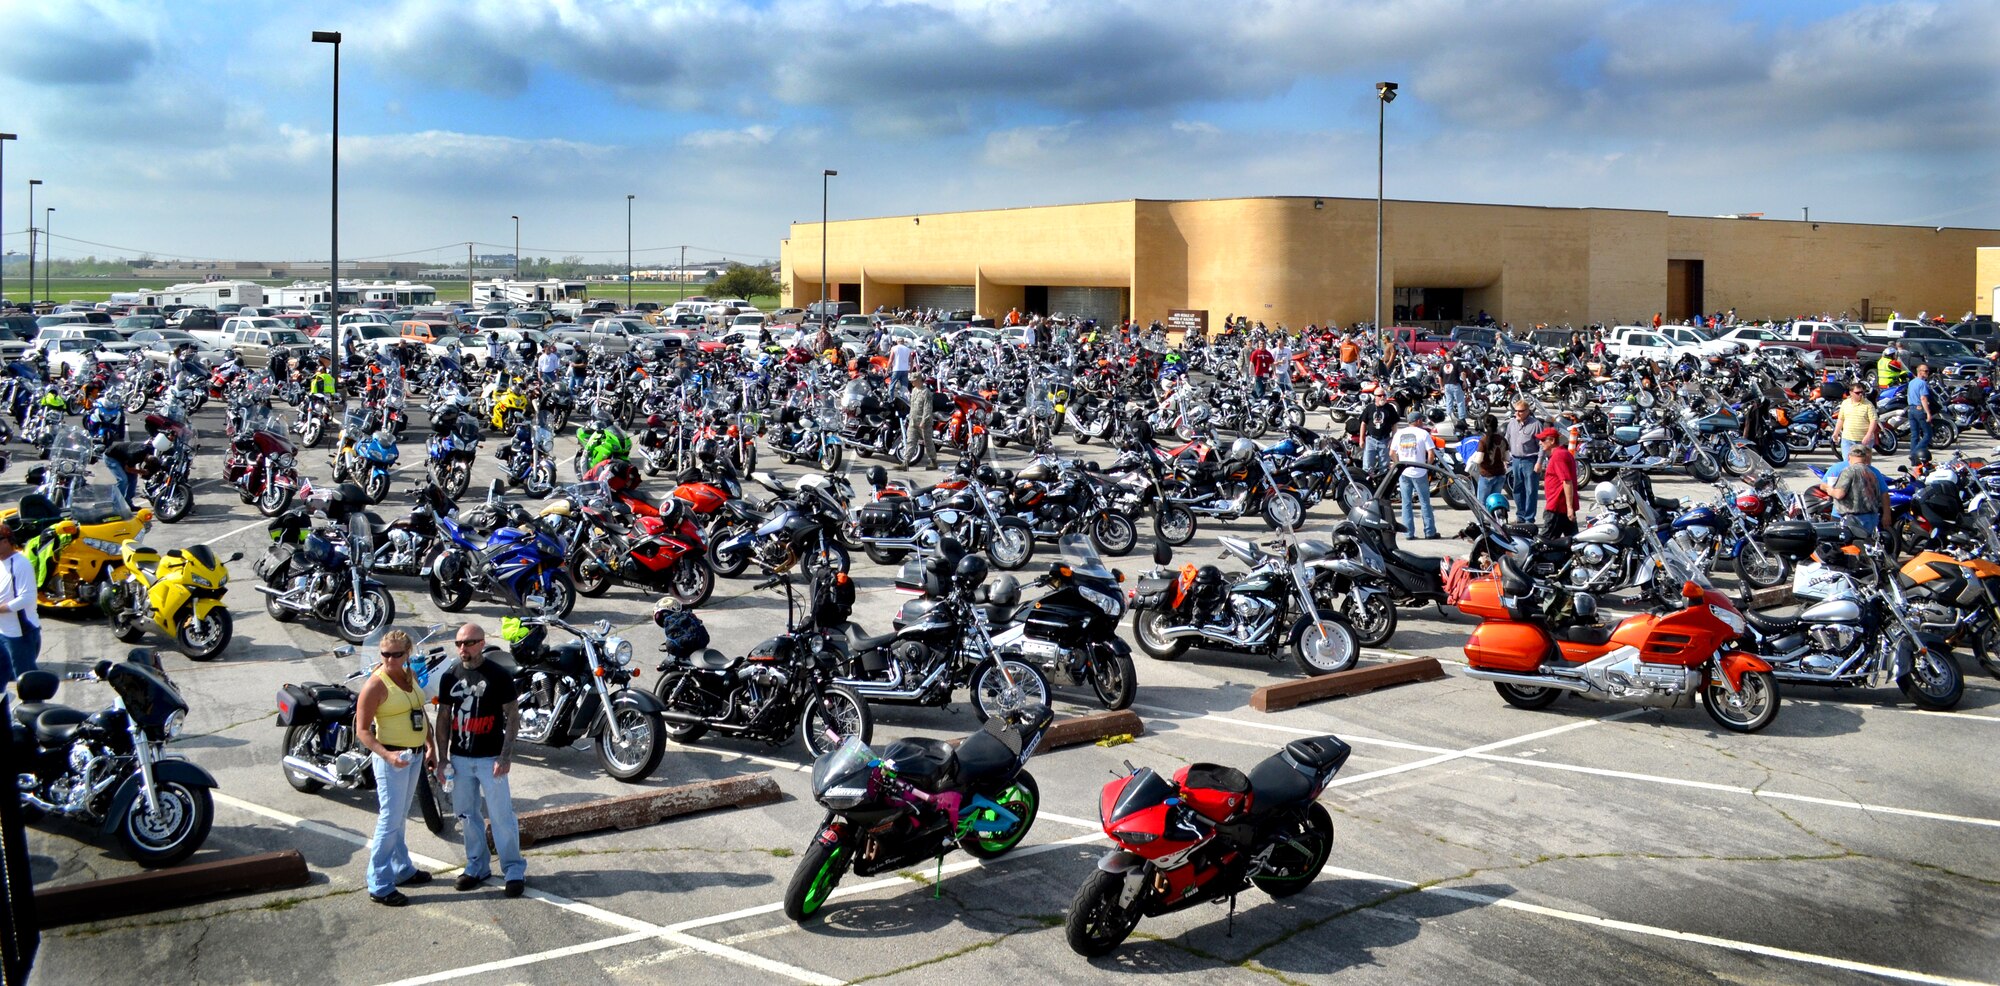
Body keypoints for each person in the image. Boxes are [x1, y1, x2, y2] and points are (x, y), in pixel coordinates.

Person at [435, 623, 526, 898]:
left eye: (469, 643)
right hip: (460, 759)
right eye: (459, 643)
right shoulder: (450, 675)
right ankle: (477, 865)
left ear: (482, 643)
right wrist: (442, 758)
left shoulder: (498, 675)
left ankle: (513, 868)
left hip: (490, 759)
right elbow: (442, 718)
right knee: (466, 814)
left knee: (501, 816)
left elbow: (512, 716)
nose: (463, 648)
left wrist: (505, 756)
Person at [355, 629, 438, 907]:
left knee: (400, 817)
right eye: (385, 655)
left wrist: (430, 745)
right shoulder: (375, 685)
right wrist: (387, 756)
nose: (390, 660)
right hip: (392, 759)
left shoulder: (409, 675)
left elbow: (420, 711)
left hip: (413, 756)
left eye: (397, 655)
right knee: (389, 820)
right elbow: (363, 731)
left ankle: (402, 869)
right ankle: (378, 883)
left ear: (408, 653)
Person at [0, 524, 40, 687]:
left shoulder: (20, 564)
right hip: (3, 633)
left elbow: (27, 598)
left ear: (7, 541)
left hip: (20, 635)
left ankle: (35, 710)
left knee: (27, 681)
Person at [1390, 408, 1438, 539]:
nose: (1422, 422)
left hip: (1404, 472)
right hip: (1419, 472)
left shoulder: (1399, 434)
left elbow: (1392, 453)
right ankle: (1430, 532)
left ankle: (1408, 533)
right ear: (1417, 421)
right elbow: (1431, 453)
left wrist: (1398, 464)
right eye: (1421, 420)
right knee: (1425, 503)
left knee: (1406, 503)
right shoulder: (1423, 434)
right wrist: (1427, 466)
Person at [1822, 446, 1888, 535]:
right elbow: (1883, 493)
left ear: (1849, 456)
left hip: (1851, 519)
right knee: (1868, 544)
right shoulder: (1871, 472)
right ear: (1865, 457)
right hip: (1870, 517)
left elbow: (1839, 494)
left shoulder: (1848, 471)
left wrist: (1830, 490)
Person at [1503, 401, 1544, 521]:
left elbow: (1542, 445)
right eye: (1516, 410)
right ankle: (1520, 515)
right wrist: (1504, 458)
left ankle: (1529, 518)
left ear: (1527, 411)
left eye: (1520, 411)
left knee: (1531, 490)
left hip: (1530, 461)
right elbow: (1506, 441)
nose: (1517, 413)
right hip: (1515, 460)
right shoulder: (1512, 423)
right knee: (1517, 489)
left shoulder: (1536, 425)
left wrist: (1539, 462)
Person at [1539, 427, 1579, 538]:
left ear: (1552, 441)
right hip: (1562, 506)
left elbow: (1567, 482)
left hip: (1557, 507)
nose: (1540, 443)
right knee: (1573, 541)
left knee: (1544, 543)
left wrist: (1569, 507)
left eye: (1543, 440)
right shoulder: (1562, 454)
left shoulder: (1558, 456)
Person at [1358, 388, 1401, 476]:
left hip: (1384, 440)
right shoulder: (1369, 408)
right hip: (1370, 439)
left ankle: (1382, 485)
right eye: (1380, 395)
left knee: (1384, 467)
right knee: (1367, 466)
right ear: (1375, 397)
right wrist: (1361, 439)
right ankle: (1367, 485)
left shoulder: (1390, 408)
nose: (1382, 397)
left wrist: (1393, 439)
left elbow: (1394, 425)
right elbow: (1363, 423)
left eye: (1384, 395)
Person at [1473, 413, 1507, 506]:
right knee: (1495, 502)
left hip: (1486, 475)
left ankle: (1484, 520)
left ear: (1484, 426)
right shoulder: (1503, 440)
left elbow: (1478, 460)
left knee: (1482, 503)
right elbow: (1507, 457)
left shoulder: (1483, 441)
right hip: (1500, 474)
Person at [1835, 385, 1878, 460]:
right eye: (1857, 393)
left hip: (1864, 440)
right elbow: (1841, 419)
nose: (1860, 394)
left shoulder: (1868, 405)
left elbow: (1873, 420)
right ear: (1851, 393)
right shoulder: (1845, 403)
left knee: (1864, 464)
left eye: (1862, 392)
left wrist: (1868, 435)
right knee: (1847, 462)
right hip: (1847, 439)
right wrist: (1836, 433)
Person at [905, 376, 938, 469]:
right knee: (910, 441)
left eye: (914, 381)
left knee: (928, 442)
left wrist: (924, 421)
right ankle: (906, 462)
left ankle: (933, 461)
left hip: (924, 423)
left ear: (919, 380)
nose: (912, 383)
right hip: (913, 421)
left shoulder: (926, 392)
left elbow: (927, 409)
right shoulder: (914, 390)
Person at [1906, 363, 1933, 466]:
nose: (1927, 373)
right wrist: (1928, 413)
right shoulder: (1922, 383)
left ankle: (1914, 461)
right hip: (1919, 409)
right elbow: (1923, 398)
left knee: (1915, 435)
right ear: (1919, 372)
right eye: (1925, 371)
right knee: (1928, 434)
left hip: (1911, 409)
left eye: (1928, 371)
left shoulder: (1912, 382)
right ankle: (1914, 454)